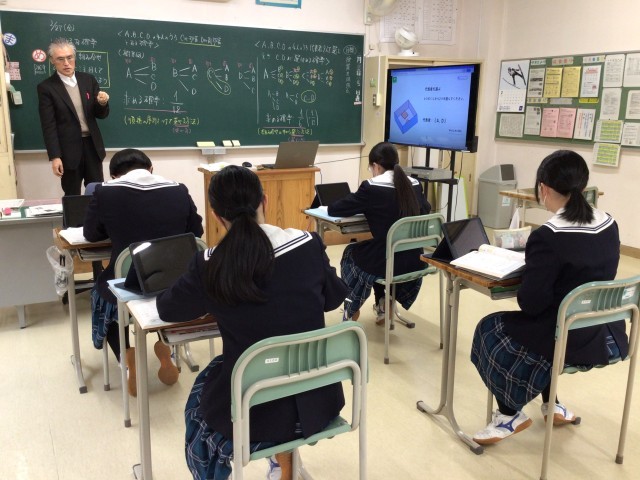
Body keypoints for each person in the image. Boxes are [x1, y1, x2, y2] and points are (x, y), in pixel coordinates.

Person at [156, 165, 348, 480]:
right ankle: (283, 462)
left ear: (216, 216)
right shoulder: (308, 244)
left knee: (202, 392)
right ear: (265, 201)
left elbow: (168, 309)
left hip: (253, 416)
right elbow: (334, 298)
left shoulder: (210, 264)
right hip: (318, 402)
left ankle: (270, 461)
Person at [471, 150, 628, 445]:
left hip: (565, 338)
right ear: (583, 186)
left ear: (543, 188)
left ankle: (509, 414)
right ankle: (551, 404)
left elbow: (532, 304)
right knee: (550, 319)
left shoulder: (548, 235)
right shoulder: (609, 223)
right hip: (605, 333)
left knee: (489, 328)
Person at [83, 148, 203, 397]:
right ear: (151, 169)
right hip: (175, 280)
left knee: (102, 291)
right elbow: (196, 232)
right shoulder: (178, 189)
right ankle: (166, 348)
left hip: (127, 282)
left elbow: (91, 234)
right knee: (159, 288)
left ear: (114, 176)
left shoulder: (104, 192)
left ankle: (126, 358)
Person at [327, 141, 430, 323]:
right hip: (416, 259)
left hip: (387, 262)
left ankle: (351, 307)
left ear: (376, 166)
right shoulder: (415, 184)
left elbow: (335, 209)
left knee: (352, 252)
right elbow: (426, 208)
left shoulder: (371, 187)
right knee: (376, 250)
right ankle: (383, 303)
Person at [38, 38, 110, 196]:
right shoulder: (47, 87)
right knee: (72, 195)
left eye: (69, 58)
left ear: (74, 58)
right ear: (52, 61)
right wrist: (55, 157)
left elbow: (100, 114)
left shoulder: (88, 80)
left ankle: (95, 215)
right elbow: (48, 125)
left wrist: (102, 103)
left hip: (92, 145)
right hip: (68, 149)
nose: (66, 63)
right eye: (60, 59)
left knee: (97, 191)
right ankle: (73, 215)